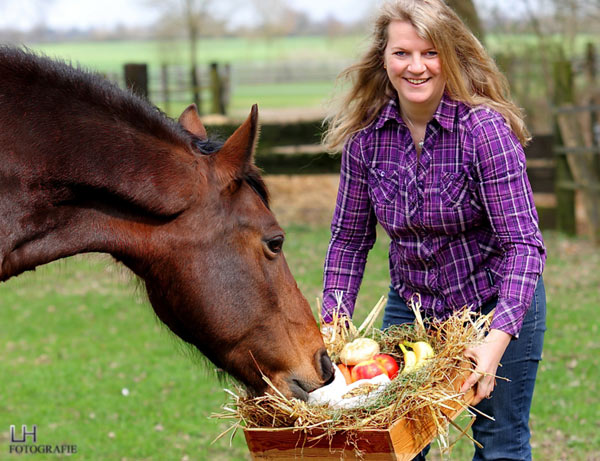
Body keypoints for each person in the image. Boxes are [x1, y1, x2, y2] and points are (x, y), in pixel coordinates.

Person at [320, 1, 547, 460]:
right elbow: (349, 241)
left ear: (450, 56)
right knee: (391, 447)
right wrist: (332, 326)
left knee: (501, 445)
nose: (416, 67)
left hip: (495, 303)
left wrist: (494, 342)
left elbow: (524, 246)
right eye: (403, 53)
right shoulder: (367, 141)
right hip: (413, 307)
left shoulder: (483, 131)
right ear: (384, 59)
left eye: (430, 53)